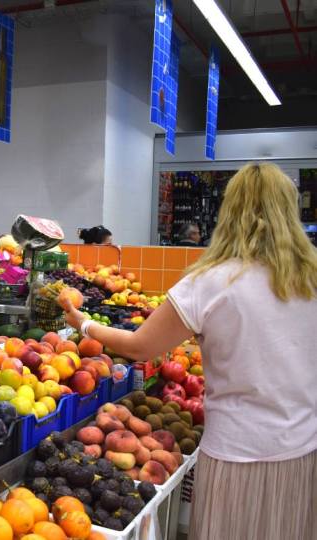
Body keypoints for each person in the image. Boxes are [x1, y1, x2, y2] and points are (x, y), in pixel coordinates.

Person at [61, 163, 317, 540]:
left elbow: (141, 346)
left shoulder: (211, 282)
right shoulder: (310, 278)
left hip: (235, 454)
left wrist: (83, 323)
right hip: (301, 452)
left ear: (231, 212)